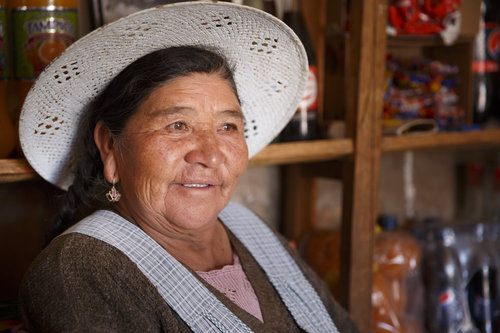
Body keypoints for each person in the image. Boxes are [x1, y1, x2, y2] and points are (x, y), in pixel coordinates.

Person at [18, 2, 359, 332]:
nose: (210, 155)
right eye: (177, 125)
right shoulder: (83, 269)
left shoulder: (252, 231)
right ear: (110, 146)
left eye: (227, 127)